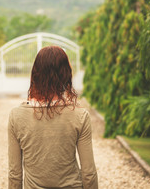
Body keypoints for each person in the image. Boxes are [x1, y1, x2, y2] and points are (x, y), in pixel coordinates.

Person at [8, 46, 98, 189]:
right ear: (66, 74)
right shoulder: (80, 116)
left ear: (35, 74)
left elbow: (15, 173)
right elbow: (88, 172)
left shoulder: (16, 116)